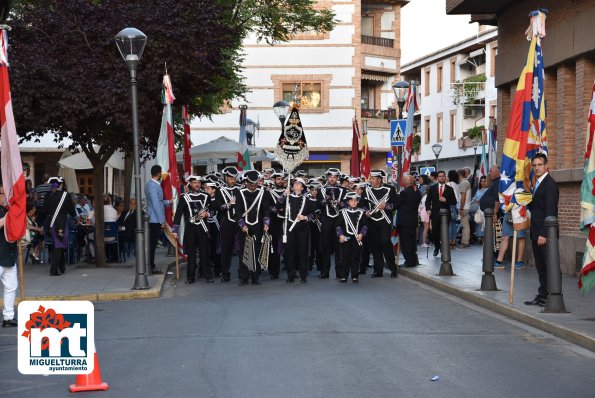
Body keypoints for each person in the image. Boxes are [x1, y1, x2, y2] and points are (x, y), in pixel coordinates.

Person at [525, 153, 559, 307]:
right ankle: (542, 295)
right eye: (534, 165)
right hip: (535, 231)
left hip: (544, 234)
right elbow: (537, 208)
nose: (537, 168)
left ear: (546, 166)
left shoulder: (550, 184)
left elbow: (550, 211)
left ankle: (553, 295)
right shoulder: (537, 183)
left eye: (539, 165)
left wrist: (544, 234)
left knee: (549, 266)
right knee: (541, 268)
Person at [173, 175, 212, 284]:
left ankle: (207, 275)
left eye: (199, 182)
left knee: (205, 252)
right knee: (191, 254)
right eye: (194, 182)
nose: (197, 184)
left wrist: (207, 213)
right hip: (190, 229)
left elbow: (213, 211)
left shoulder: (206, 196)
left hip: (203, 228)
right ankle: (190, 277)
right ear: (190, 183)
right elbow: (178, 214)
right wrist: (175, 229)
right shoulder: (184, 197)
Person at [360, 170, 398, 278]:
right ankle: (378, 270)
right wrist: (366, 210)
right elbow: (362, 203)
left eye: (372, 178)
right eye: (370, 178)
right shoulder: (367, 190)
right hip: (372, 221)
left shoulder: (389, 189)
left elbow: (397, 203)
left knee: (385, 243)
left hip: (385, 221)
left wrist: (386, 206)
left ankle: (393, 268)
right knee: (375, 246)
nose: (370, 180)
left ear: (379, 179)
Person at [236, 170, 270, 286]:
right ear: (246, 182)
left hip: (258, 226)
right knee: (244, 252)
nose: (253, 186)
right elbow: (238, 211)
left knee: (256, 251)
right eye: (251, 184)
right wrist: (242, 225)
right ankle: (244, 277)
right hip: (244, 226)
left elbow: (266, 209)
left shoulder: (263, 192)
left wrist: (266, 222)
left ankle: (255, 277)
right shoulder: (239, 193)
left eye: (255, 184)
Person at [277, 178, 314, 283]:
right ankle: (290, 276)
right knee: (290, 253)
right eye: (295, 184)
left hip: (303, 230)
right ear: (292, 186)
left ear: (302, 188)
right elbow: (277, 206)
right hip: (289, 229)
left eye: (299, 185)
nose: (297, 186)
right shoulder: (287, 197)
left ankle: (303, 276)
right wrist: (284, 194)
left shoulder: (307, 199)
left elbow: (314, 214)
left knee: (303, 253)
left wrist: (305, 217)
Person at [317, 168, 348, 279]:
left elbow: (347, 205)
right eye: (330, 177)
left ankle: (339, 272)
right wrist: (325, 201)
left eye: (334, 177)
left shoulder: (343, 190)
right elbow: (318, 205)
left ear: (337, 178)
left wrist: (340, 203)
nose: (332, 179)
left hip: (338, 221)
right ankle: (325, 272)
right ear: (327, 178)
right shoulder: (321, 190)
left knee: (339, 246)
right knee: (325, 247)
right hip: (326, 219)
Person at [43, 177, 77, 276]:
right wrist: (74, 216)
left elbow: (44, 211)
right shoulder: (65, 195)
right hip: (61, 223)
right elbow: (71, 209)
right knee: (59, 245)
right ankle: (54, 270)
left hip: (51, 223)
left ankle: (62, 267)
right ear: (60, 185)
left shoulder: (47, 196)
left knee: (59, 244)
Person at [215, 166, 240, 282]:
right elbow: (218, 207)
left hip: (239, 222)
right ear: (226, 178)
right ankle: (225, 273)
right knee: (226, 249)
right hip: (227, 223)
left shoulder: (239, 190)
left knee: (242, 247)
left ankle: (243, 272)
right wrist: (228, 205)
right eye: (230, 178)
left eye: (234, 178)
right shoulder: (220, 191)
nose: (233, 180)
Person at [336, 192, 368, 283]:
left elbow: (365, 225)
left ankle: (355, 276)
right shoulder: (342, 212)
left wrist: (361, 234)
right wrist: (341, 235)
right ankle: (344, 276)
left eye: (355, 201)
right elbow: (338, 225)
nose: (354, 202)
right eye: (351, 201)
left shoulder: (361, 212)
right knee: (345, 257)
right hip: (346, 238)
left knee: (356, 257)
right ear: (347, 202)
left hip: (357, 238)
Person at [145, 165, 170, 275]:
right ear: (159, 174)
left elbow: (158, 202)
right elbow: (155, 203)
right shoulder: (153, 186)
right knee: (152, 244)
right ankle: (151, 266)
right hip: (155, 219)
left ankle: (150, 265)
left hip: (153, 217)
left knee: (152, 244)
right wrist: (162, 221)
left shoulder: (150, 184)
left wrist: (168, 202)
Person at [425, 171, 457, 257]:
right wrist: (428, 209)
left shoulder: (450, 189)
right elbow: (428, 201)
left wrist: (446, 200)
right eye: (439, 176)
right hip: (435, 213)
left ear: (445, 177)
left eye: (443, 176)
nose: (441, 178)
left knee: (444, 232)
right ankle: (437, 247)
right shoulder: (432, 188)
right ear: (437, 178)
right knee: (435, 232)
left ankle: (443, 248)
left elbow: (454, 201)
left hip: (446, 214)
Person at [0, 183, 17, 327]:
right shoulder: (6, 212)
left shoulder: (9, 210)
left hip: (9, 254)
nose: (7, 197)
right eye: (3, 194)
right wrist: (7, 218)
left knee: (11, 287)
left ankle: (8, 316)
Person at [396, 175, 422, 267]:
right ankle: (413, 260)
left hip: (404, 221)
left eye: (403, 180)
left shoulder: (404, 193)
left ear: (406, 182)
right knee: (412, 242)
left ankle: (409, 261)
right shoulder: (417, 192)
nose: (402, 182)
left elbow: (397, 204)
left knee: (406, 243)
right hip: (412, 220)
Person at [265, 171, 286, 279]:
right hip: (274, 223)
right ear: (274, 180)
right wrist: (277, 209)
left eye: (282, 179)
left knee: (289, 246)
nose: (280, 181)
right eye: (278, 179)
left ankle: (291, 270)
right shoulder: (269, 193)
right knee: (274, 247)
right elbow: (269, 208)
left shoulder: (289, 192)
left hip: (286, 222)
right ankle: (274, 271)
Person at [470, 176, 488, 244]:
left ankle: (483, 236)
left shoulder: (488, 189)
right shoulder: (478, 190)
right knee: (477, 221)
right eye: (482, 181)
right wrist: (473, 201)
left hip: (484, 208)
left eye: (484, 181)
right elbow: (474, 198)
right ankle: (478, 236)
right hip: (477, 208)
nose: (483, 182)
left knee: (483, 223)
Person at [446, 170, 460, 248]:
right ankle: (454, 240)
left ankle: (448, 240)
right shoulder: (457, 185)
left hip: (449, 204)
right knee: (453, 223)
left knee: (448, 223)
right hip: (455, 205)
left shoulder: (448, 184)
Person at [458, 169, 472, 248]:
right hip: (466, 206)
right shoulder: (466, 182)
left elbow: (463, 196)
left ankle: (465, 242)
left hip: (464, 207)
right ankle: (465, 241)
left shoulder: (463, 183)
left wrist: (461, 208)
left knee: (465, 225)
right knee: (465, 224)